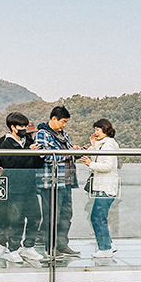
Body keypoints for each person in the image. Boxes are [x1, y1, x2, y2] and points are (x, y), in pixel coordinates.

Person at [0, 113, 42, 264]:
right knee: (16, 219)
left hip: (29, 186)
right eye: (21, 126)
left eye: (26, 126)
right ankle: (13, 249)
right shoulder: (4, 143)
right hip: (14, 187)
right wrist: (29, 153)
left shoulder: (28, 140)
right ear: (13, 127)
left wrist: (38, 156)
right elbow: (11, 163)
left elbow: (33, 165)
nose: (24, 129)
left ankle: (28, 246)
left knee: (35, 216)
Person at [34, 106, 79, 257]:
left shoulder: (64, 135)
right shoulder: (42, 134)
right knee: (52, 215)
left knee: (66, 214)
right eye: (63, 121)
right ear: (54, 119)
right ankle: (50, 247)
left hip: (66, 180)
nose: (64, 124)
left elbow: (69, 152)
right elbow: (44, 155)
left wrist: (77, 151)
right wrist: (67, 154)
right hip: (51, 181)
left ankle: (62, 244)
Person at [80, 118, 120, 263]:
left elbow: (107, 166)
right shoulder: (104, 144)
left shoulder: (108, 145)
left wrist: (90, 164)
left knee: (97, 217)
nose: (95, 132)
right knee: (99, 216)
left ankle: (105, 249)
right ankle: (108, 244)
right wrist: (92, 146)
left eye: (98, 129)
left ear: (105, 129)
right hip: (104, 186)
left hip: (106, 186)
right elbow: (98, 156)